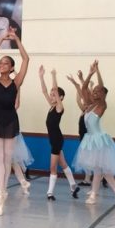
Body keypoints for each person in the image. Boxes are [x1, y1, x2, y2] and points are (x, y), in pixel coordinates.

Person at [0, 27, 29, 215]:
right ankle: (0, 193)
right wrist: (2, 39)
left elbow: (26, 59)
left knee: (7, 158)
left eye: (6, 63)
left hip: (11, 119)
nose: (2, 65)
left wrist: (17, 40)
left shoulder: (16, 82)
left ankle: (3, 190)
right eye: (1, 62)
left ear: (11, 68)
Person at [72, 62, 115, 206]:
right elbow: (84, 88)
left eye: (98, 91)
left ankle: (100, 194)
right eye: (94, 91)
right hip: (90, 139)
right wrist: (90, 73)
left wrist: (98, 72)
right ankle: (109, 193)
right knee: (99, 170)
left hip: (99, 140)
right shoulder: (89, 104)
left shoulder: (102, 105)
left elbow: (102, 87)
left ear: (103, 94)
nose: (95, 92)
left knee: (100, 170)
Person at [38, 66, 79, 200]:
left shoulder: (59, 108)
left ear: (60, 97)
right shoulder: (51, 106)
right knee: (63, 164)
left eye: (54, 95)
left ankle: (50, 192)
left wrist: (54, 76)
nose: (51, 96)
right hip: (55, 139)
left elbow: (55, 89)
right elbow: (44, 91)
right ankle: (73, 185)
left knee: (52, 167)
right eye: (51, 95)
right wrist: (41, 76)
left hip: (56, 140)